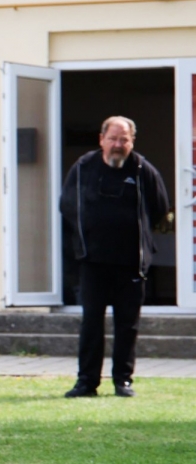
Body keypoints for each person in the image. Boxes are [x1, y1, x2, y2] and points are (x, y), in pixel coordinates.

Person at [60, 116, 169, 399]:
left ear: (132, 142)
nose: (118, 145)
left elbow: (160, 208)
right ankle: (86, 383)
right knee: (91, 322)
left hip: (131, 262)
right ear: (102, 140)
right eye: (113, 139)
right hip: (93, 261)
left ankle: (123, 381)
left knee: (127, 324)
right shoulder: (84, 167)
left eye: (124, 140)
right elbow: (67, 205)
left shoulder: (143, 169)